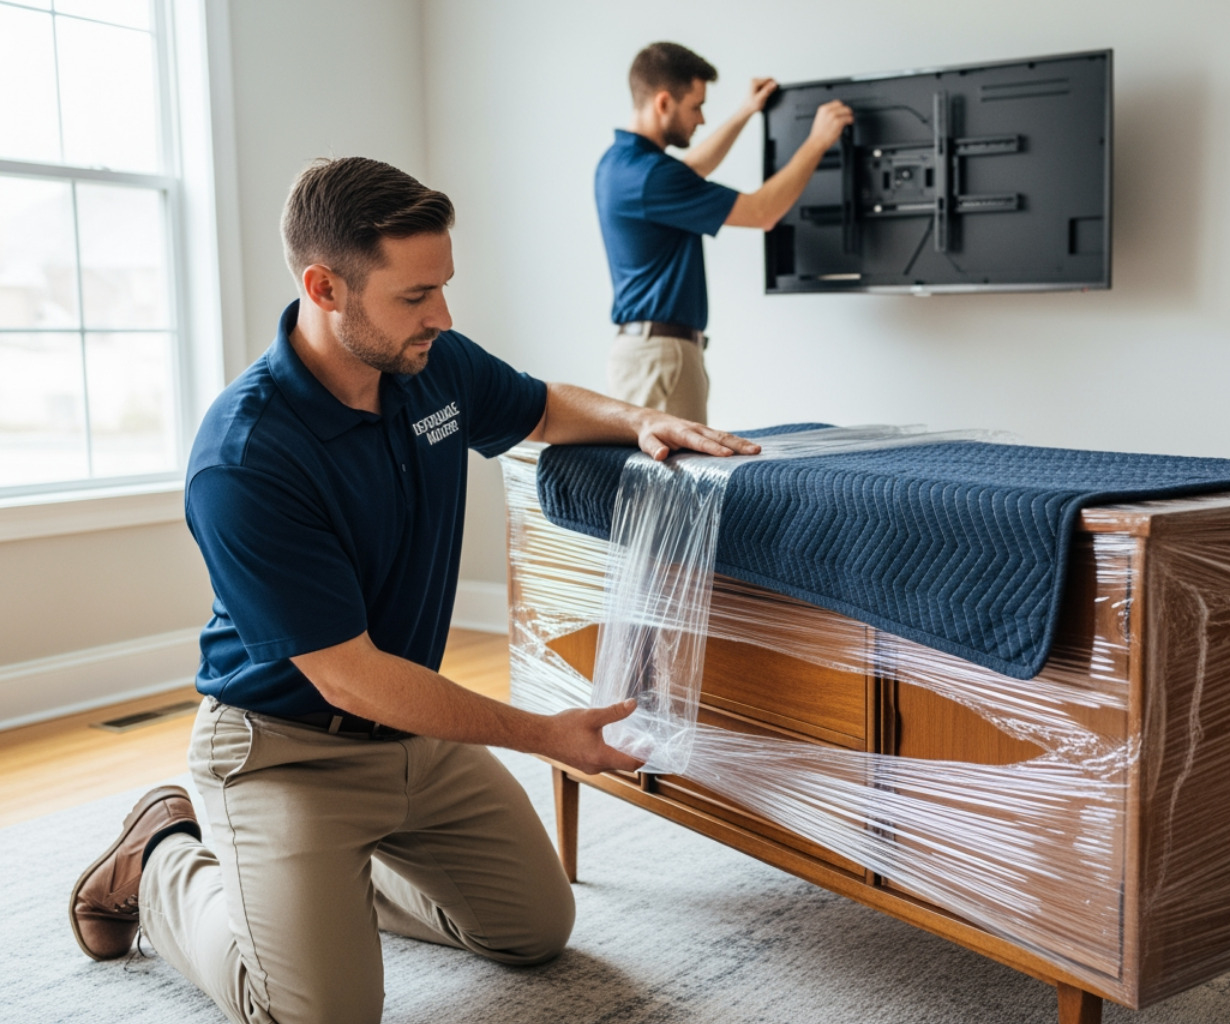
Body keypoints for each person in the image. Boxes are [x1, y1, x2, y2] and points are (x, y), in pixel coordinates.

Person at [67, 155, 760, 1024]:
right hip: (288, 749)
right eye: (413, 296)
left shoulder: (433, 366)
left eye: (442, 287)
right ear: (325, 288)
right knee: (319, 1014)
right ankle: (164, 856)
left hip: (414, 735)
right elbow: (348, 676)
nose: (442, 314)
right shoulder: (246, 459)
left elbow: (540, 406)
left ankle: (322, 895)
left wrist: (640, 418)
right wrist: (542, 734)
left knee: (534, 930)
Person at [596, 41, 854, 424]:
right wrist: (818, 141)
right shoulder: (652, 176)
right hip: (662, 358)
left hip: (651, 354)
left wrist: (746, 112)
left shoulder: (622, 164)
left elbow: (691, 170)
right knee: (670, 484)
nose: (701, 120)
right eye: (696, 106)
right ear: (664, 102)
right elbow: (763, 212)